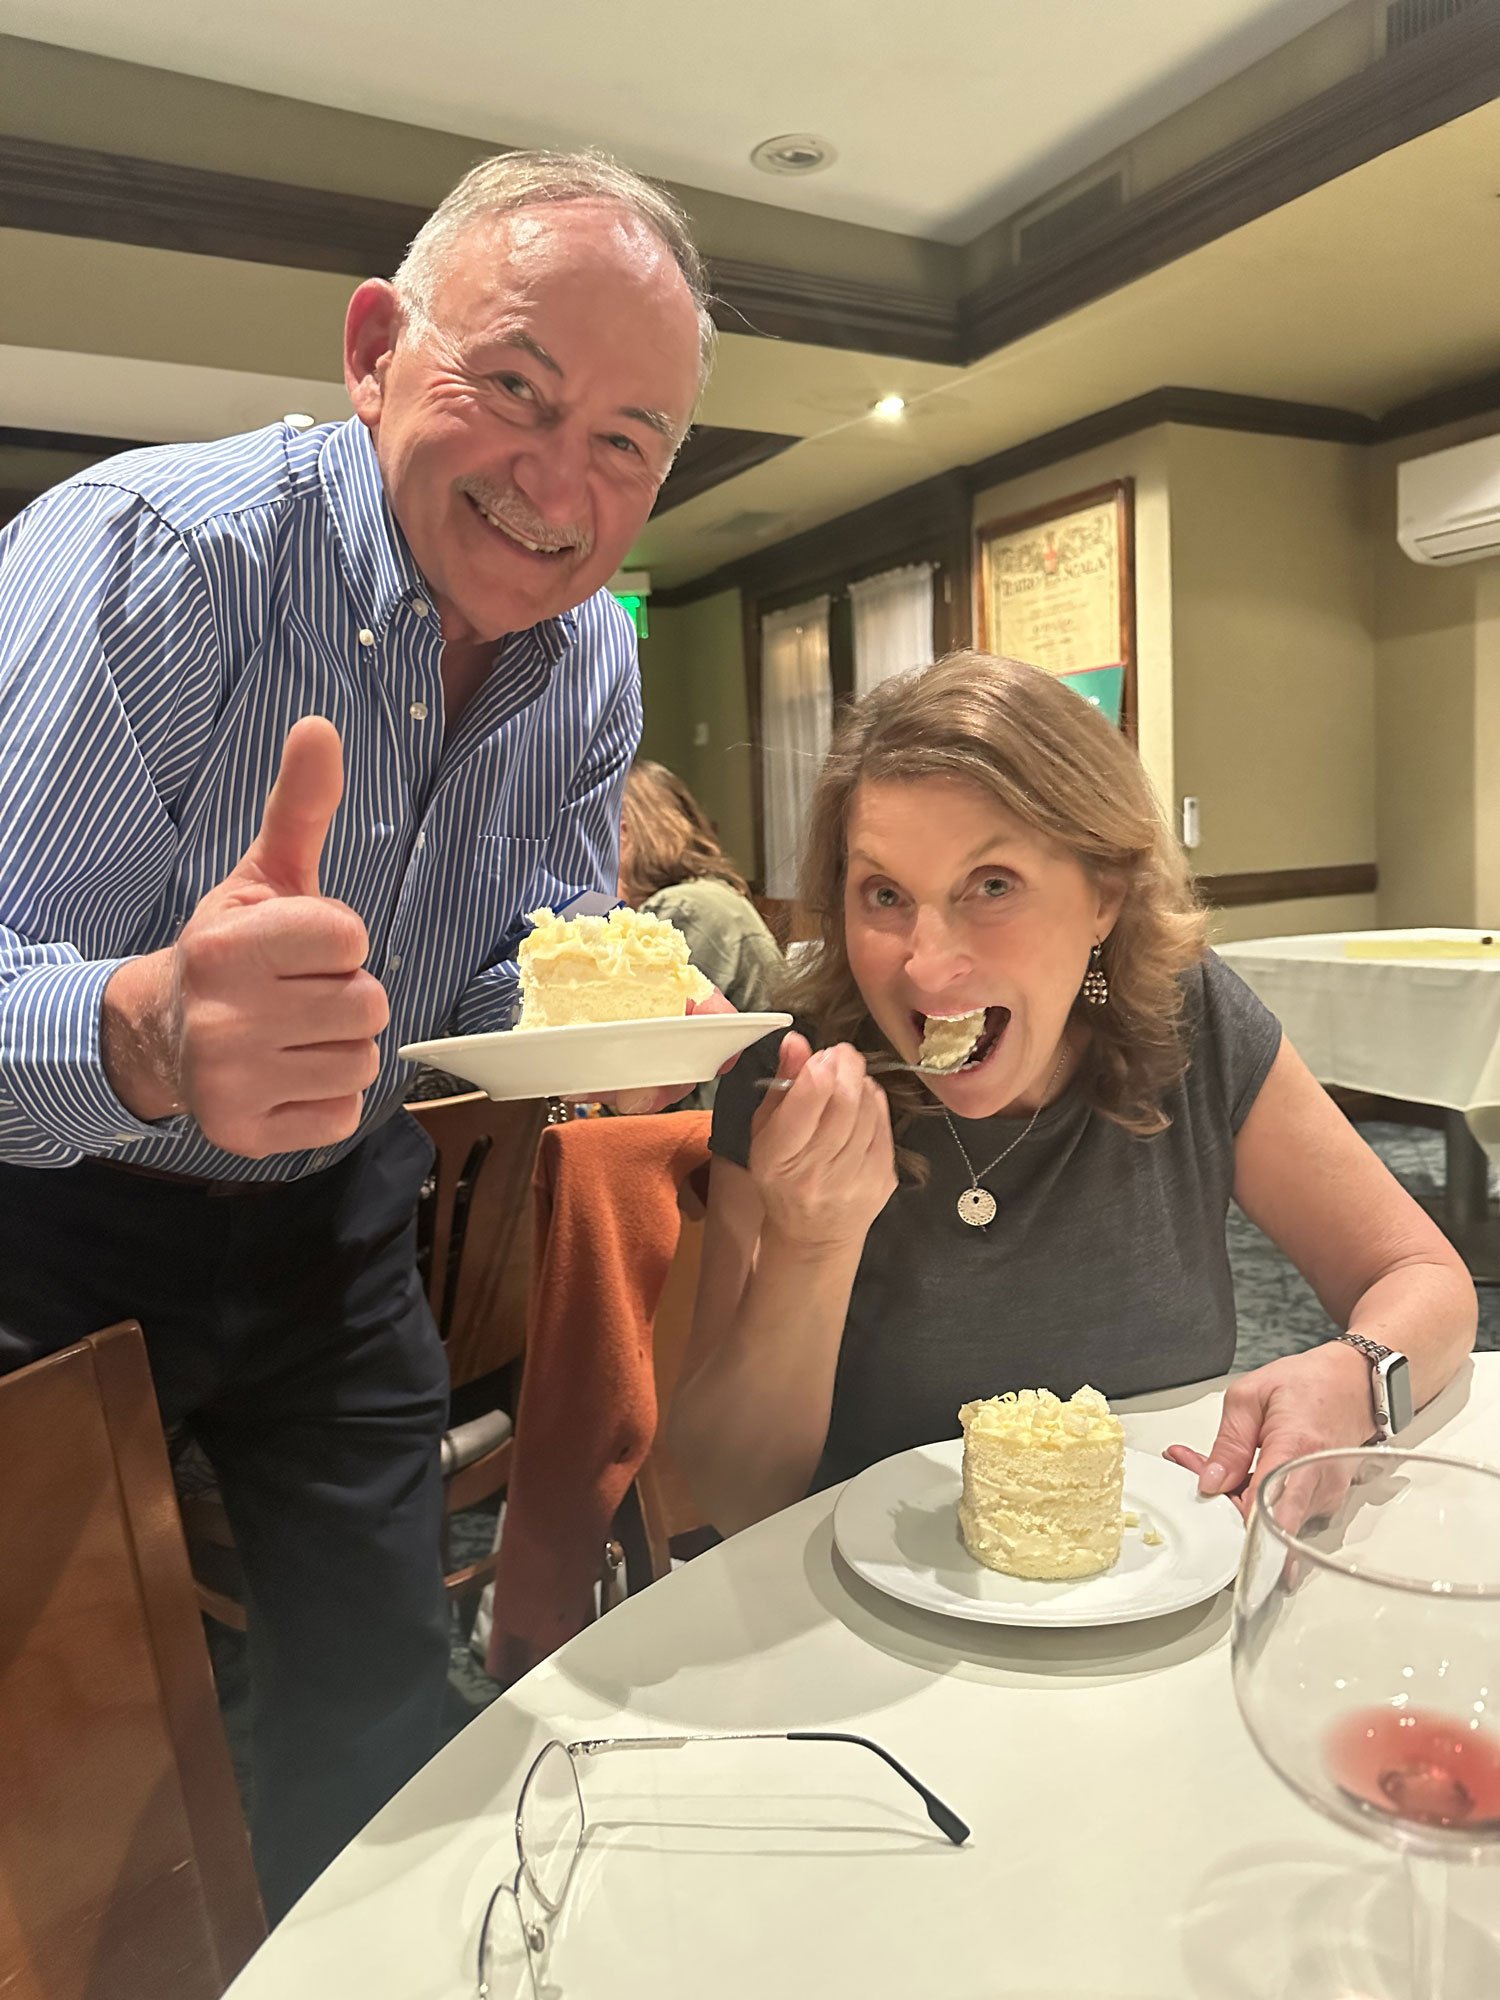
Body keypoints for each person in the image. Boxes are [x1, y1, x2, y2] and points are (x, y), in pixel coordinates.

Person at [0, 149, 718, 1917]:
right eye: (516, 389)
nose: (561, 483)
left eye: (626, 440)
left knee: (382, 1707)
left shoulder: (591, 661)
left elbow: (504, 976)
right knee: (57, 1769)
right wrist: (148, 1027)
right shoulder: (161, 561)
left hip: (340, 1226)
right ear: (377, 348)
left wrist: (605, 1011)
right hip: (49, 1220)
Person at [667, 653, 1476, 1536]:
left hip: (1156, 1578)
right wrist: (809, 1245)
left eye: (993, 885)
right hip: (871, 1616)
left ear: (1104, 894)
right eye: (885, 894)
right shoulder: (792, 1070)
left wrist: (1354, 1377)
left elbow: (1423, 1276)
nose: (926, 964)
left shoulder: (1186, 1021)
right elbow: (732, 1495)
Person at [619, 758, 784, 1105]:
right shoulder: (708, 896)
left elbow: (642, 1079)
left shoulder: (684, 911)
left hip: (714, 1131)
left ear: (625, 833)